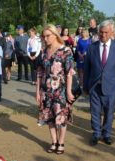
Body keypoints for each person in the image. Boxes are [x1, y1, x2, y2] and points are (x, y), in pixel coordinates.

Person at [83, 20, 115, 146]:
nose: (103, 35)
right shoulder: (91, 47)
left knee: (109, 112)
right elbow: (87, 69)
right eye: (101, 32)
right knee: (95, 111)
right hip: (94, 86)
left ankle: (106, 134)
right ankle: (96, 134)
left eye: (106, 32)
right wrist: (85, 86)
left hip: (112, 86)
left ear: (111, 32)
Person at [36, 24, 75, 154]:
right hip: (46, 91)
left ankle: (61, 142)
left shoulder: (66, 51)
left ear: (55, 35)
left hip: (61, 90)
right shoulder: (43, 52)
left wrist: (69, 91)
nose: (45, 38)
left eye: (48, 36)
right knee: (49, 117)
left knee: (61, 117)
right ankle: (54, 141)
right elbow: (40, 73)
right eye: (43, 36)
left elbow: (69, 73)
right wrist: (38, 92)